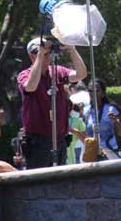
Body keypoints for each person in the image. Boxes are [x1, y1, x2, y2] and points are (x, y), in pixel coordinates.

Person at [17, 38, 87, 168]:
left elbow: (81, 74)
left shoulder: (57, 71)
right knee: (39, 184)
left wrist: (72, 49)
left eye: (48, 53)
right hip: (37, 143)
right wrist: (40, 55)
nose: (47, 56)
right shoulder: (24, 75)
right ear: (32, 56)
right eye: (42, 53)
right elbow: (31, 86)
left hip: (60, 140)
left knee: (59, 184)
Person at [84, 79, 121, 155]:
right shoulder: (86, 111)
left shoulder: (111, 109)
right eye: (90, 91)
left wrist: (116, 120)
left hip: (109, 151)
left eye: (96, 91)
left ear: (103, 93)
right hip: (92, 153)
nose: (92, 93)